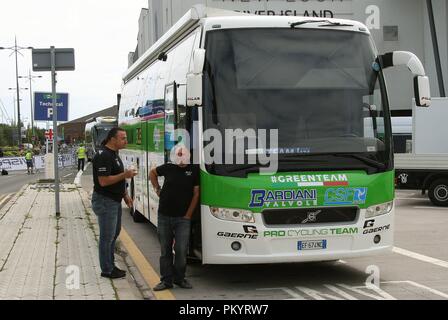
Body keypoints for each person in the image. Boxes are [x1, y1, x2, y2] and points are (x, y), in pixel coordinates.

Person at [149, 144, 200, 291]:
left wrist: (188, 215)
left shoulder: (194, 170)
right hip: (164, 216)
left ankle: (180, 279)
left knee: (181, 250)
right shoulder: (168, 167)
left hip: (182, 219)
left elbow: (196, 194)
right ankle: (166, 281)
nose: (182, 159)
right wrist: (157, 188)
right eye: (179, 155)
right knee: (165, 250)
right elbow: (152, 173)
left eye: (184, 155)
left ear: (189, 156)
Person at [91, 128, 137, 279]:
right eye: (123, 138)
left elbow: (117, 180)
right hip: (105, 201)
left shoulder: (114, 154)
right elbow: (103, 181)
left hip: (114, 200)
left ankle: (110, 266)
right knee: (107, 236)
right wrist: (125, 174)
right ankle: (107, 270)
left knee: (113, 235)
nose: (126, 141)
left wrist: (125, 195)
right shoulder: (103, 155)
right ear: (112, 139)